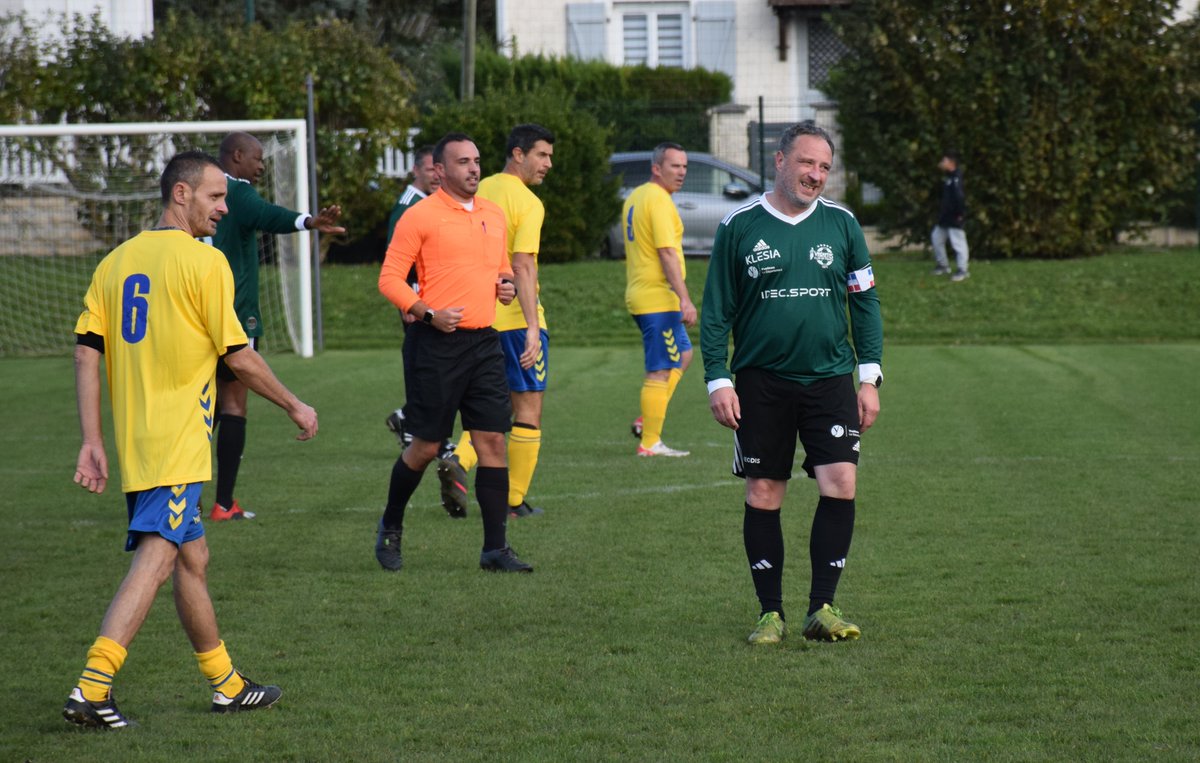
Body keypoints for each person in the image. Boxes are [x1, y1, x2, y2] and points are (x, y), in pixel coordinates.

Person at [63, 151, 319, 729]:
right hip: (178, 441)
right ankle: (92, 686)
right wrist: (296, 405)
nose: (224, 209)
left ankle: (227, 685)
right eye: (215, 197)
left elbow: (85, 352)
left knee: (192, 556)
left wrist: (91, 440)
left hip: (138, 441)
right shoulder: (205, 265)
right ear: (181, 195)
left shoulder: (115, 262)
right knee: (157, 558)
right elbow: (240, 357)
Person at [700, 121, 883, 646]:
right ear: (779, 161)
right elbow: (716, 312)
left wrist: (868, 376)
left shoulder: (843, 225)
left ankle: (821, 607)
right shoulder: (740, 226)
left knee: (841, 483)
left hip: (830, 379)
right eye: (807, 163)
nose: (816, 175)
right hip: (761, 382)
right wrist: (718, 378)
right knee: (764, 490)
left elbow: (865, 302)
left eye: (825, 167)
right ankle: (770, 613)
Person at [374, 132, 533, 573]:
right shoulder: (420, 216)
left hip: (484, 343)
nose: (474, 168)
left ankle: (495, 550)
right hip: (435, 345)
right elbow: (389, 279)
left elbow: (501, 268)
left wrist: (504, 286)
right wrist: (427, 314)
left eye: (477, 160)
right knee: (425, 446)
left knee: (492, 443)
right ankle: (390, 524)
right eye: (463, 162)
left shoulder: (493, 214)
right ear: (440, 171)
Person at [208, 131, 344, 521]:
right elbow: (267, 214)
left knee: (205, 406)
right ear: (236, 156)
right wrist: (309, 221)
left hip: (197, 313)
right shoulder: (235, 190)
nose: (262, 165)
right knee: (233, 403)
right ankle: (223, 503)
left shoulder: (203, 190)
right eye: (257, 157)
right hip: (233, 313)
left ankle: (178, 495)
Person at [444, 124, 555, 519]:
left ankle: (458, 458)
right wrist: (530, 327)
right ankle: (513, 500)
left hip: (476, 318)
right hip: (513, 319)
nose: (548, 164)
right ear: (518, 153)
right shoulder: (527, 202)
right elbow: (523, 265)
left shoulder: (478, 189)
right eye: (542, 155)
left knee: (491, 407)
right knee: (527, 409)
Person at [382, 146, 459, 483]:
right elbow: (397, 263)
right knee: (432, 370)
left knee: (441, 371)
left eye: (438, 170)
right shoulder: (409, 208)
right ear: (416, 170)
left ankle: (410, 419)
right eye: (430, 170)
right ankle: (425, 431)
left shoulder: (426, 204)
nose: (436, 177)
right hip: (419, 306)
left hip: (429, 303)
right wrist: (409, 304)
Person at [622, 142, 696, 457]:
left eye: (684, 166)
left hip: (645, 294)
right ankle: (650, 442)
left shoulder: (636, 196)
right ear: (657, 168)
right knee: (660, 369)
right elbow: (666, 251)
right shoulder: (660, 201)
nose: (680, 172)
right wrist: (685, 298)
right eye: (674, 166)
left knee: (684, 354)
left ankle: (647, 418)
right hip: (656, 297)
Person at [931, 149, 969, 281]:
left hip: (954, 217)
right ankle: (943, 265)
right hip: (945, 217)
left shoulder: (957, 178)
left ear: (951, 162)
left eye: (944, 160)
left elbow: (960, 197)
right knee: (936, 238)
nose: (941, 163)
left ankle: (962, 270)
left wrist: (960, 214)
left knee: (958, 243)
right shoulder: (949, 177)